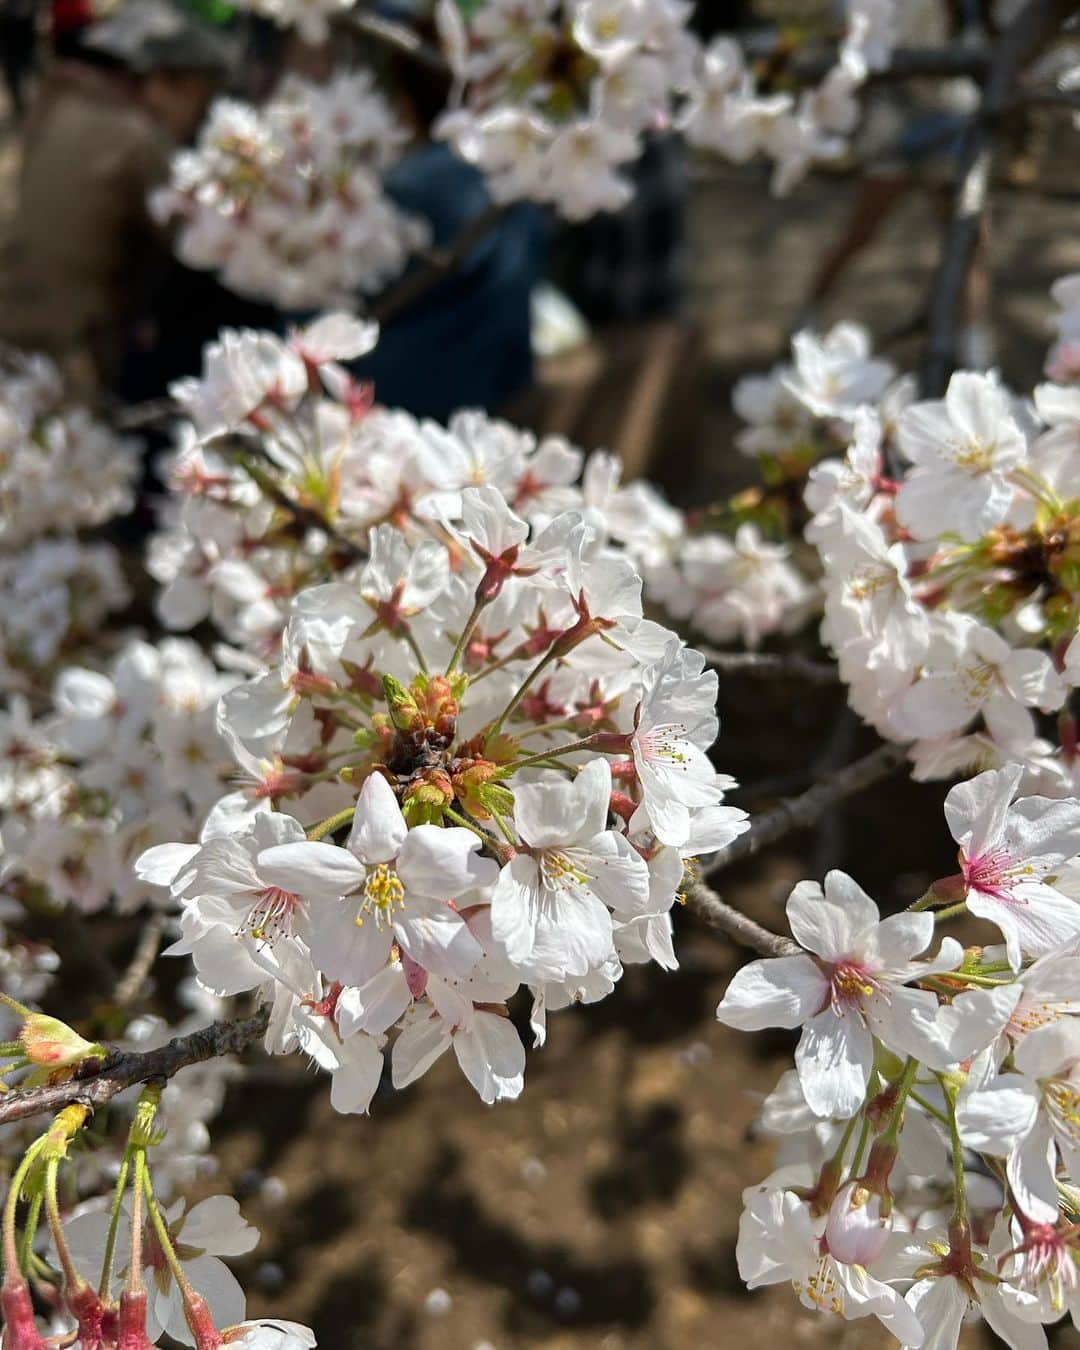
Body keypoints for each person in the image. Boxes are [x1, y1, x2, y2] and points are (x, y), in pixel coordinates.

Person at [0, 1, 233, 396]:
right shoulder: (133, 140)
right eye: (201, 95)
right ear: (161, 83)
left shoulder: (50, 109)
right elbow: (213, 244)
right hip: (65, 370)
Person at [0, 0, 38, 123]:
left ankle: (27, 106)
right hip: (14, 24)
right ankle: (22, 107)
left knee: (25, 67)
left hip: (19, 24)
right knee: (17, 70)